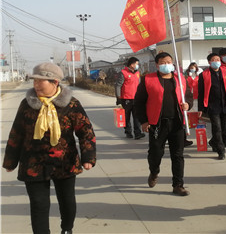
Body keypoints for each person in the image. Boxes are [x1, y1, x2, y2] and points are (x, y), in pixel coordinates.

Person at [3, 62, 96, 234]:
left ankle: (67, 228)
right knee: (39, 204)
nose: (36, 85)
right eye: (35, 81)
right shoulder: (27, 104)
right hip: (33, 162)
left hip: (64, 161)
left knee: (67, 201)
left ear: (55, 82)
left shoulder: (71, 104)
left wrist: (88, 157)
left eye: (40, 81)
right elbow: (16, 133)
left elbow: (86, 131)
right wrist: (10, 161)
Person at [135, 52, 193, 196]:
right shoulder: (148, 79)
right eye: (163, 62)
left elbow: (189, 96)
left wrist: (188, 105)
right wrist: (144, 121)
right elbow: (139, 102)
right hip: (157, 123)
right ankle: (154, 172)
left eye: (169, 62)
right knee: (155, 153)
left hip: (177, 122)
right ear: (157, 65)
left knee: (178, 154)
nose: (166, 64)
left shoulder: (180, 79)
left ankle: (178, 185)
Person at [198, 53, 226, 160]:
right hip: (212, 105)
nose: (216, 61)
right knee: (217, 128)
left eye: (217, 59)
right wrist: (200, 108)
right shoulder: (204, 75)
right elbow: (201, 92)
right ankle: (221, 151)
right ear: (209, 62)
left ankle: (213, 142)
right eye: (213, 60)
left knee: (225, 129)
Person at [115, 57, 145, 139]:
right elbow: (118, 86)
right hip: (126, 99)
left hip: (136, 98)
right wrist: (118, 98)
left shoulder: (137, 73)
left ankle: (137, 133)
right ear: (132, 64)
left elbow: (139, 84)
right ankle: (128, 132)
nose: (137, 65)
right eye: (137, 64)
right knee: (126, 117)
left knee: (137, 116)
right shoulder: (123, 73)